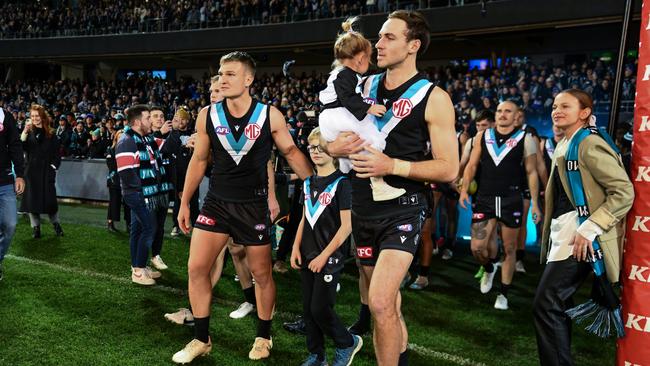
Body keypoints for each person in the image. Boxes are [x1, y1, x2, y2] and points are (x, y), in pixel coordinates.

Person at [326, 11, 458, 365]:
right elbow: (326, 130)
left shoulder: (434, 97)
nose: (378, 44)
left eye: (389, 38)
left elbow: (449, 168)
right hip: (362, 206)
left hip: (402, 206)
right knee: (386, 304)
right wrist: (330, 148)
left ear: (413, 45)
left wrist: (392, 166)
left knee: (381, 302)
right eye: (380, 36)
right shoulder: (361, 85)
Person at [172, 52, 312, 364]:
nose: (223, 79)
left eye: (231, 74)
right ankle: (201, 339)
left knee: (261, 274)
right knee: (196, 268)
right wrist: (184, 201)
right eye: (221, 73)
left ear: (248, 80)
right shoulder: (207, 114)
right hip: (217, 203)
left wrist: (319, 184)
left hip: (253, 206)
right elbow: (199, 160)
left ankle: (263, 335)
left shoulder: (269, 115)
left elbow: (289, 151)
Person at [534, 89, 633, 365]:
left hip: (582, 237)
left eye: (565, 106)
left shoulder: (588, 143)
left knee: (547, 303)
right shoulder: (568, 142)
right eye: (555, 106)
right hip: (566, 233)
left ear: (585, 112)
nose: (557, 110)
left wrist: (589, 228)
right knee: (554, 304)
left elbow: (623, 191)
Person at [459, 100, 542, 311]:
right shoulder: (482, 136)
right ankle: (488, 267)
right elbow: (472, 164)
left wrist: (534, 204)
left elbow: (532, 172)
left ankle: (503, 294)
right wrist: (463, 188)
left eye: (508, 111)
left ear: (517, 117)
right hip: (485, 200)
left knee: (510, 248)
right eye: (499, 111)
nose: (502, 114)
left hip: (510, 200)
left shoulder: (526, 139)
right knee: (477, 247)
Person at [290, 127, 362, 366]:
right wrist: (295, 247)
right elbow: (303, 218)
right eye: (312, 148)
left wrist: (324, 256)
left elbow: (346, 227)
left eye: (321, 147)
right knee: (308, 311)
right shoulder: (308, 182)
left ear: (333, 152)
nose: (316, 152)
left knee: (321, 309)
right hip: (308, 253)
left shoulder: (343, 184)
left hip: (328, 258)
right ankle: (316, 355)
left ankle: (346, 343)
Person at [318, 17, 404, 202]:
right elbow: (348, 98)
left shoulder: (344, 74)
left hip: (333, 116)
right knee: (373, 138)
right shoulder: (346, 76)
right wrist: (369, 108)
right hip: (336, 115)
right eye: (368, 56)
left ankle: (348, 168)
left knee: (360, 142)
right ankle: (378, 184)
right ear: (360, 58)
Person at [116, 105, 168, 285]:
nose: (150, 122)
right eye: (147, 118)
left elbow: (166, 147)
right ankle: (138, 271)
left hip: (142, 192)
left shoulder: (144, 139)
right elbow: (126, 173)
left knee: (138, 230)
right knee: (149, 229)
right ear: (138, 122)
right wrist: (143, 188)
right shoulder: (127, 140)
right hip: (137, 194)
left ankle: (139, 266)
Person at [20, 104, 63, 239]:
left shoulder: (51, 133)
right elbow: (20, 146)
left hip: (46, 172)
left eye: (37, 116)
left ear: (42, 116)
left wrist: (53, 167)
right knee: (32, 202)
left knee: (50, 202)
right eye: (32, 116)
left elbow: (57, 155)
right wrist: (24, 132)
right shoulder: (28, 133)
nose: (34, 118)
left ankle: (56, 225)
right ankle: (36, 229)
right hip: (31, 173)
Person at [0, 106, 25, 281]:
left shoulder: (5, 117)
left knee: (10, 224)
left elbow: (15, 146)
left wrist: (20, 175)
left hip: (5, 180)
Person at [105, 129, 131, 232]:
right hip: (114, 180)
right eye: (119, 136)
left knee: (128, 203)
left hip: (127, 180)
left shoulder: (129, 149)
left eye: (123, 137)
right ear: (116, 137)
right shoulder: (110, 149)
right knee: (114, 202)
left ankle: (129, 224)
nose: (121, 138)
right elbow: (111, 165)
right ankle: (110, 223)